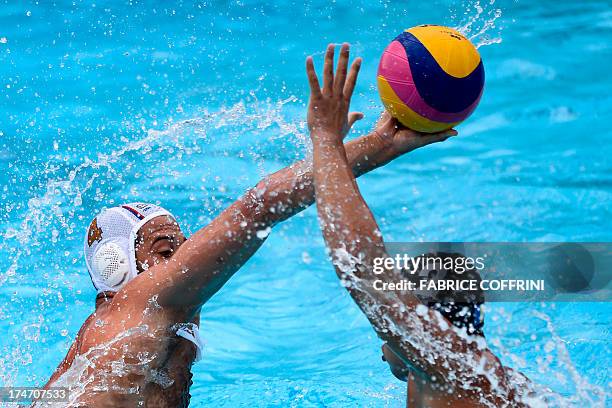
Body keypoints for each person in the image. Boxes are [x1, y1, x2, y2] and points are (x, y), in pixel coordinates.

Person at [38, 47, 456, 407]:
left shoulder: (108, 344)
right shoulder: (143, 300)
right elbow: (257, 208)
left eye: (184, 245)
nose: (187, 257)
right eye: (168, 251)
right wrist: (370, 145)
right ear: (119, 270)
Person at [307, 43, 532, 407]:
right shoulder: (483, 376)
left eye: (392, 332)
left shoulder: (445, 366)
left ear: (421, 318)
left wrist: (325, 138)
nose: (384, 344)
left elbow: (360, 266)